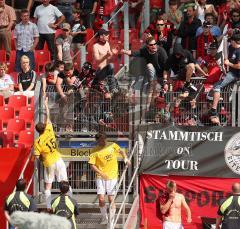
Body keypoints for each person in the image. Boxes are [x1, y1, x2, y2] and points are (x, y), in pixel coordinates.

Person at [34, 97, 70, 210]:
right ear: (44, 127)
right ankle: (69, 202)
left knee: (48, 185)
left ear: (37, 131)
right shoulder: (49, 129)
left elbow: (36, 156)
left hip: (49, 162)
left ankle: (49, 207)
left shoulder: (38, 141)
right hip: (58, 159)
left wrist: (42, 159)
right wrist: (45, 104)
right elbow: (48, 116)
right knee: (64, 182)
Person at [88, 132, 131, 224]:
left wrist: (125, 159)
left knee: (111, 199)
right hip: (100, 177)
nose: (102, 142)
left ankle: (111, 220)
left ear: (105, 139)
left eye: (103, 139)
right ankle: (105, 218)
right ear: (97, 141)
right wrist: (101, 173)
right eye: (100, 140)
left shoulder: (112, 145)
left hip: (112, 176)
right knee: (101, 199)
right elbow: (92, 165)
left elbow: (122, 151)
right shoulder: (94, 151)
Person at [121, 36, 168, 110]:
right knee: (149, 69)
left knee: (156, 92)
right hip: (152, 76)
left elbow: (166, 68)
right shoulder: (145, 51)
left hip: (162, 75)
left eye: (155, 44)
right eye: (151, 45)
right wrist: (125, 52)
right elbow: (134, 53)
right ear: (147, 46)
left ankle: (153, 109)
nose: (154, 46)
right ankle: (147, 109)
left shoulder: (161, 51)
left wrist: (165, 81)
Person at [208, 30, 240, 122]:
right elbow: (222, 43)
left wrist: (228, 63)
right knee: (220, 87)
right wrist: (228, 34)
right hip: (230, 73)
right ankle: (222, 109)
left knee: (217, 86)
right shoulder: (231, 47)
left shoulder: (239, 51)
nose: (230, 42)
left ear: (235, 41)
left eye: (231, 40)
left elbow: (239, 66)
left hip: (235, 74)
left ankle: (213, 110)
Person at [93, 28, 120, 95]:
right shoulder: (95, 46)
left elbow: (109, 58)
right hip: (99, 71)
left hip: (108, 70)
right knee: (111, 66)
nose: (108, 36)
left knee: (111, 65)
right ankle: (112, 88)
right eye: (106, 34)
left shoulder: (107, 44)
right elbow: (97, 61)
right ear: (101, 36)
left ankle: (113, 90)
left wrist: (112, 53)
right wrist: (106, 55)